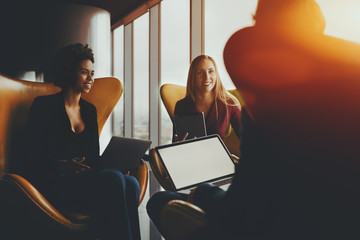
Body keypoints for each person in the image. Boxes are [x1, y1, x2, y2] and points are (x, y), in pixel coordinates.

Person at [148, 0, 360, 238]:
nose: (206, 77)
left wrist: (205, 192)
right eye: (200, 72)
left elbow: (241, 208)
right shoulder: (350, 92)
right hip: (339, 224)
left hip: (274, 222)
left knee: (159, 201)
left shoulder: (263, 106)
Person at [24, 43, 141, 240]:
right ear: (69, 72)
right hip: (55, 183)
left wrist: (120, 162)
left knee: (130, 182)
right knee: (113, 179)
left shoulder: (89, 110)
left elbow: (94, 158)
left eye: (92, 73)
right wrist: (59, 165)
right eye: (84, 72)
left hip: (84, 182)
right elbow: (30, 156)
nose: (91, 79)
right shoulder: (43, 106)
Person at [172, 55, 241, 142]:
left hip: (217, 155)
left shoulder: (229, 104)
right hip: (191, 154)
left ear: (216, 75)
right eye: (200, 72)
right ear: (193, 77)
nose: (206, 77)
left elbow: (249, 139)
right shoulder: (181, 105)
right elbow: (174, 143)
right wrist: (178, 144)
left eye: (211, 71)